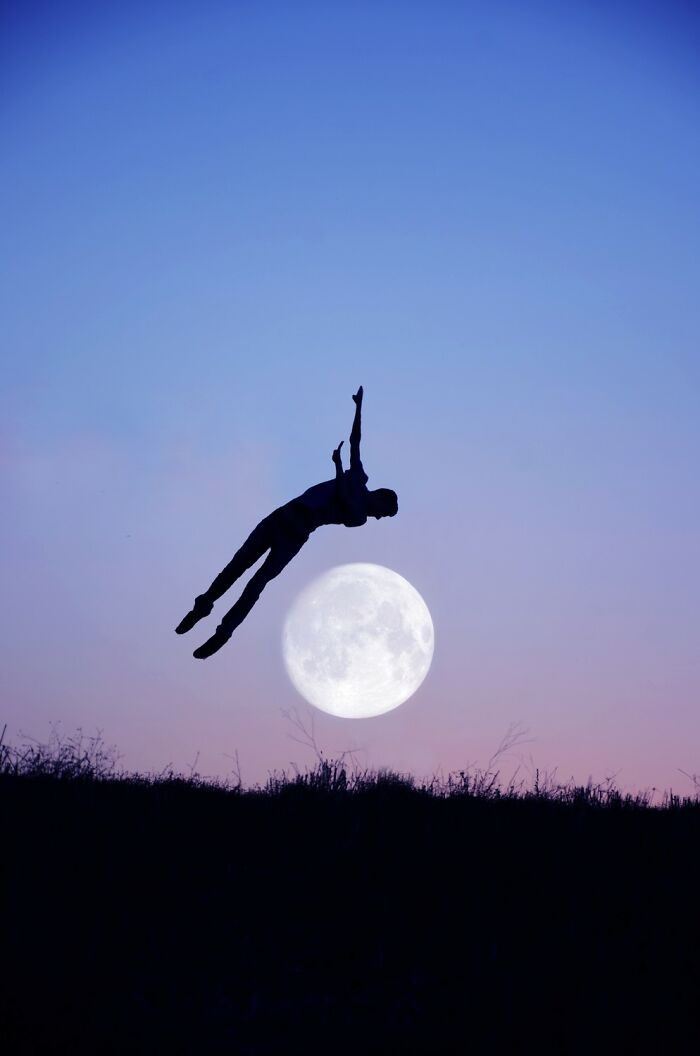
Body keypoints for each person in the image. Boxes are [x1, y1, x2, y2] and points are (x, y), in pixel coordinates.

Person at [176, 386, 398, 659]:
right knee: (236, 566)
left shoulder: (359, 518)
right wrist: (358, 408)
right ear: (381, 497)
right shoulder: (359, 478)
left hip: (295, 534)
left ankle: (224, 632)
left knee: (257, 583)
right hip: (282, 516)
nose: (379, 517)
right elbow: (355, 441)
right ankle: (202, 607)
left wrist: (338, 466)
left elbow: (342, 496)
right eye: (384, 512)